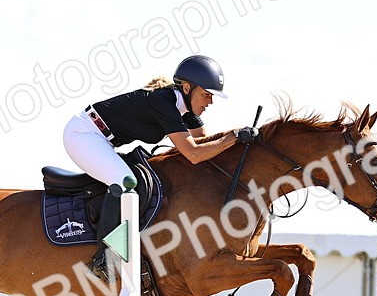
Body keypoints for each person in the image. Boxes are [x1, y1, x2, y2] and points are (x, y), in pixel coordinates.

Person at [63, 54, 259, 280]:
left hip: (103, 140)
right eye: (206, 95)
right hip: (82, 135)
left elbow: (204, 141)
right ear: (187, 88)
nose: (210, 102)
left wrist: (240, 140)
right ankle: (104, 258)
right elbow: (194, 154)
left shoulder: (186, 108)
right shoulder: (163, 103)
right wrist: (233, 136)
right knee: (126, 183)